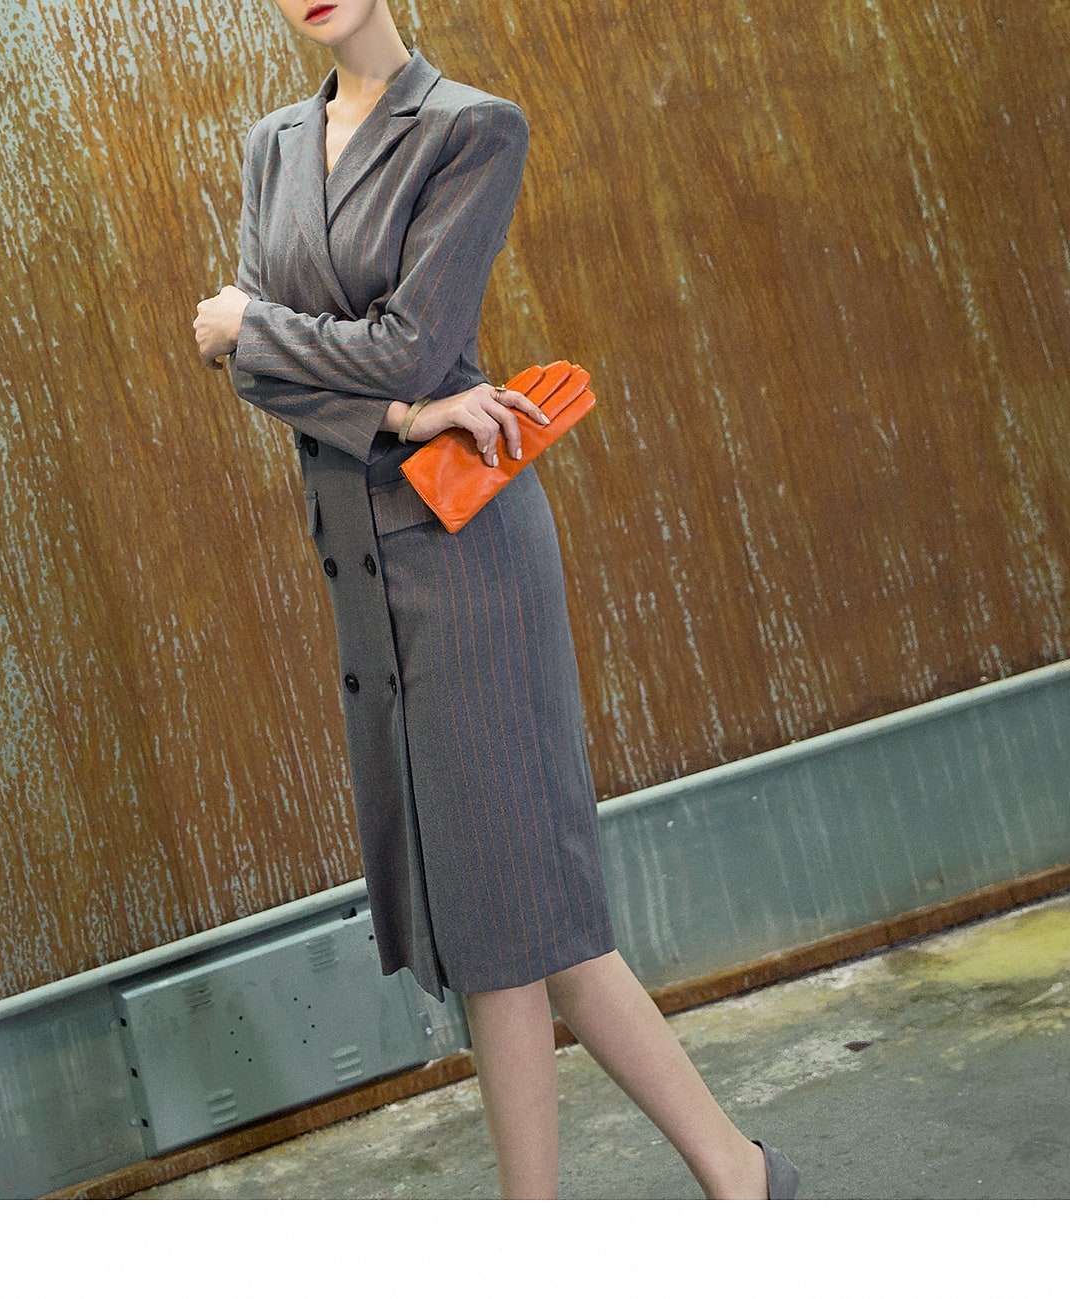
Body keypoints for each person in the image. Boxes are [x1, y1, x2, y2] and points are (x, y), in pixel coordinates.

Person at [193, 0, 798, 1200]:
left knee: (513, 908)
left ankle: (658, 1198)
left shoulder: (472, 129)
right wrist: (396, 408)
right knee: (502, 911)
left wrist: (260, 326)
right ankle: (737, 1177)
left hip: (467, 556)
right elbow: (261, 376)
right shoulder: (272, 146)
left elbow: (403, 344)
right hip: (365, 562)